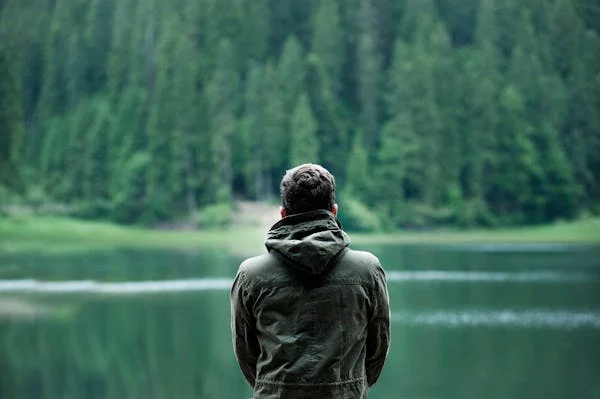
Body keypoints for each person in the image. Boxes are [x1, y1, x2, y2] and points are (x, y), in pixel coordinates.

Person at [230, 163, 390, 399]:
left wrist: (276, 388)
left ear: (283, 214)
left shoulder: (250, 275)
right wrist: (350, 387)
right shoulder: (367, 270)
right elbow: (378, 347)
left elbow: (246, 352)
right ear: (334, 211)